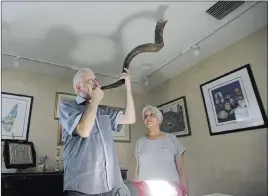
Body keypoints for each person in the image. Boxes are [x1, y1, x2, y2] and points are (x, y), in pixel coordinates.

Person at [59, 68, 135, 196]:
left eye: (96, 80)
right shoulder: (67, 106)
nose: (96, 83)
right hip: (81, 189)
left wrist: (128, 86)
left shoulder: (103, 110)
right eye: (90, 81)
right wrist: (95, 101)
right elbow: (83, 130)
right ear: (79, 88)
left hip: (109, 186)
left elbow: (130, 118)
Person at [134, 105, 189, 194]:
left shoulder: (172, 140)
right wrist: (136, 191)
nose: (148, 117)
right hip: (146, 191)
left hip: (170, 190)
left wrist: (185, 192)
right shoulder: (140, 142)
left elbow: (181, 168)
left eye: (152, 115)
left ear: (159, 119)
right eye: (145, 116)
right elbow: (137, 169)